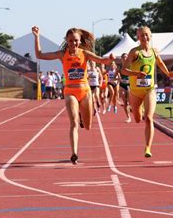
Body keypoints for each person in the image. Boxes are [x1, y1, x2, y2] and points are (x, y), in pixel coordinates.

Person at [32, 26, 114, 164]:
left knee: (87, 126)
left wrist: (110, 59)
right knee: (73, 123)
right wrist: (37, 37)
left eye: (76, 41)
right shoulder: (62, 54)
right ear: (66, 41)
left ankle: (83, 116)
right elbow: (40, 55)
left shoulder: (85, 53)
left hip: (85, 91)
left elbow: (101, 60)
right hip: (70, 91)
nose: (73, 43)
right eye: (70, 41)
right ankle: (74, 153)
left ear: (80, 41)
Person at [121, 26, 173, 158]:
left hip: (149, 89)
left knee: (148, 118)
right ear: (138, 38)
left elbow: (160, 63)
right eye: (141, 36)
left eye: (146, 35)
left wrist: (169, 73)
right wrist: (136, 74)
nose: (144, 38)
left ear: (150, 36)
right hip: (135, 92)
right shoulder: (134, 52)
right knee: (137, 119)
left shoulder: (154, 51)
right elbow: (123, 70)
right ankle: (136, 108)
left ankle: (147, 148)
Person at [119, 53, 131, 123]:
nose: (125, 58)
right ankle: (128, 117)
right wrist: (117, 77)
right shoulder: (119, 67)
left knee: (130, 102)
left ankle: (138, 110)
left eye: (126, 57)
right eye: (123, 57)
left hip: (130, 85)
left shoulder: (130, 66)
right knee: (125, 102)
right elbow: (115, 75)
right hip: (122, 85)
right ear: (121, 58)